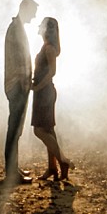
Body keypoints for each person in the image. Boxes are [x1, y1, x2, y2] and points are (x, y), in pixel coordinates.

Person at [31, 16, 72, 184]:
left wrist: (37, 87)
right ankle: (52, 167)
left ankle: (63, 161)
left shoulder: (49, 49)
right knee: (48, 131)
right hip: (43, 92)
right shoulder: (46, 47)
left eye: (41, 24)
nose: (38, 26)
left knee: (39, 130)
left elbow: (52, 72)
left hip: (45, 92)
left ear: (46, 29)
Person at [3, 0, 38, 183]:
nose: (34, 17)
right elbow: (20, 60)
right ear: (24, 9)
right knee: (14, 129)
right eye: (33, 12)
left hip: (18, 84)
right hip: (17, 85)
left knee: (16, 130)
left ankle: (13, 169)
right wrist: (26, 84)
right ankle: (11, 173)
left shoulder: (17, 28)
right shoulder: (16, 29)